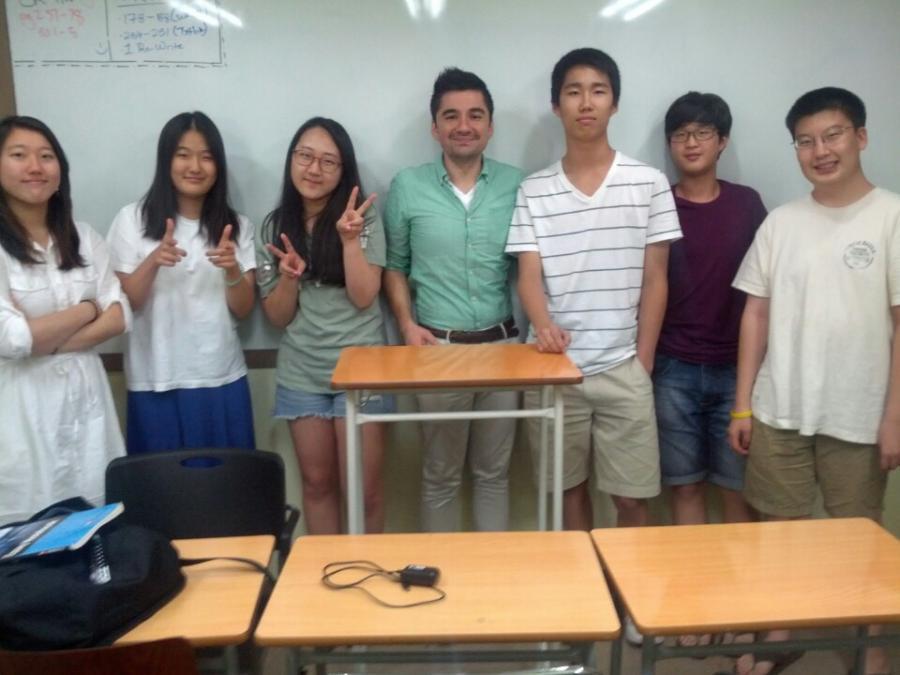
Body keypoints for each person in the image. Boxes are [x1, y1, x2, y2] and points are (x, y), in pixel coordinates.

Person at [728, 87, 899, 675]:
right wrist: (742, 406)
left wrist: (894, 417)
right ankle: (780, 635)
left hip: (860, 411)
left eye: (833, 135)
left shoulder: (891, 216)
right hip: (780, 407)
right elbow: (755, 315)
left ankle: (871, 648)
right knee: (779, 528)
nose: (820, 151)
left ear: (861, 137)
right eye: (805, 141)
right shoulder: (781, 222)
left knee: (861, 537)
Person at [507, 47, 680, 531]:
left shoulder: (648, 183)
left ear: (614, 103)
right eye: (574, 92)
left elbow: (656, 277)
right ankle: (583, 583)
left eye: (598, 91)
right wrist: (544, 326)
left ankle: (626, 585)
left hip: (624, 367)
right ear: (556, 105)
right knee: (567, 494)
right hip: (553, 367)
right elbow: (528, 275)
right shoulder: (534, 189)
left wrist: (643, 360)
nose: (586, 103)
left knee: (633, 499)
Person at [383, 68, 524, 532]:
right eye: (451, 116)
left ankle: (492, 574)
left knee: (494, 475)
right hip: (436, 351)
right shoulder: (408, 186)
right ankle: (441, 576)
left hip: (502, 351)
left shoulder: (517, 185)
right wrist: (406, 325)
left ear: (490, 126)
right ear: (435, 127)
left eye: (475, 115)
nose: (464, 125)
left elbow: (531, 268)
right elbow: (394, 266)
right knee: (440, 476)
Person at [257, 117, 389, 534]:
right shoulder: (274, 226)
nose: (314, 169)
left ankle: (368, 570)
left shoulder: (363, 219)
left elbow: (365, 295)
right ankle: (327, 572)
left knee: (363, 492)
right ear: (291, 160)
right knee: (316, 486)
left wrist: (349, 242)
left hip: (362, 370)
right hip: (303, 372)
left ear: (343, 170)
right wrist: (289, 279)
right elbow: (278, 317)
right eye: (305, 156)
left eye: (328, 162)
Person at [0, 115, 129, 523]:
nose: (35, 167)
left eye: (46, 156)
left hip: (87, 409)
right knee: (28, 534)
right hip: (21, 412)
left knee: (96, 525)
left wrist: (40, 339)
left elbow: (119, 316)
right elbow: (12, 339)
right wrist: (87, 309)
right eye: (18, 155)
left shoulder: (84, 237)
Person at [107, 111, 256, 454]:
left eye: (206, 157)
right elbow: (125, 305)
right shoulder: (132, 219)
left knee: (224, 481)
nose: (195, 167)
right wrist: (153, 261)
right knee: (163, 484)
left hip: (220, 375)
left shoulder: (235, 226)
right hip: (155, 378)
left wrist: (232, 269)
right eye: (183, 155)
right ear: (166, 160)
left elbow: (244, 309)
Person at [655, 92, 766, 527]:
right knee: (685, 488)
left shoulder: (747, 204)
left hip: (737, 370)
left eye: (703, 132)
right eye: (680, 134)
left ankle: (740, 576)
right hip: (672, 368)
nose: (691, 143)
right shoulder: (657, 205)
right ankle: (693, 574)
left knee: (737, 489)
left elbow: (766, 291)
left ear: (722, 141)